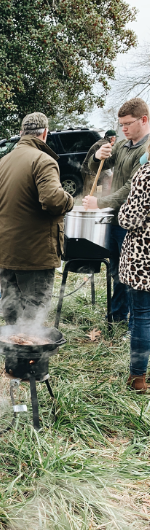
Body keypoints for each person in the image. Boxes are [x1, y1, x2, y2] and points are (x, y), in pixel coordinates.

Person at [0, 112, 74, 325]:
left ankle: (13, 357)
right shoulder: (44, 161)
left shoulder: (2, 162)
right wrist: (69, 200)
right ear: (44, 134)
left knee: (12, 312)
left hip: (7, 251)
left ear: (21, 133)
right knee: (34, 314)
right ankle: (29, 357)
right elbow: (53, 200)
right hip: (36, 255)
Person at [84, 98, 150, 324]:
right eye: (121, 124)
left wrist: (100, 203)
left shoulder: (146, 151)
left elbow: (131, 187)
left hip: (134, 224)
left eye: (128, 124)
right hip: (115, 221)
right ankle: (118, 316)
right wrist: (97, 156)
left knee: (132, 275)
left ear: (144, 120)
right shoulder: (122, 145)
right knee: (117, 271)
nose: (123, 129)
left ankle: (135, 321)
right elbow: (95, 168)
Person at [118, 141, 150, 393]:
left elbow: (129, 217)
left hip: (144, 257)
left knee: (142, 315)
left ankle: (137, 378)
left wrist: (119, 214)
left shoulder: (146, 174)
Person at [81, 130, 116, 197]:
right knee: (90, 191)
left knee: (92, 190)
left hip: (90, 169)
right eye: (115, 137)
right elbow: (105, 162)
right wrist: (110, 174)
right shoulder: (105, 145)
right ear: (112, 138)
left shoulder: (103, 142)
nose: (115, 139)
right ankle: (87, 205)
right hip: (89, 170)